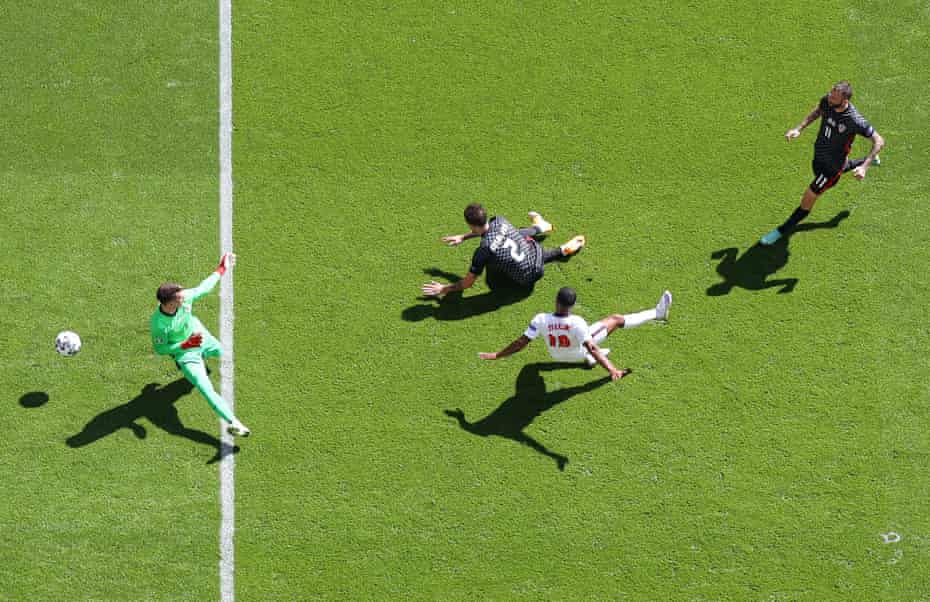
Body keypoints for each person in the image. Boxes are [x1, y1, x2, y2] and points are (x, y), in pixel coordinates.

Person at [760, 80, 884, 245]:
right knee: (823, 172)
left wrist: (864, 168)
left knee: (809, 197)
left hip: (832, 168)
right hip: (819, 156)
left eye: (834, 97)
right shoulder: (828, 101)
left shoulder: (854, 120)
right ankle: (866, 161)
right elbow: (818, 111)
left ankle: (780, 231)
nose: (829, 98)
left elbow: (879, 141)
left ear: (845, 100)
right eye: (830, 94)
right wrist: (799, 128)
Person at [150, 252, 250, 437]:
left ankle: (204, 354)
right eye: (180, 297)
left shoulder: (183, 298)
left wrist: (221, 269)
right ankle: (233, 422)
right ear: (170, 303)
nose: (184, 297)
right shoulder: (159, 324)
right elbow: (160, 349)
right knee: (205, 388)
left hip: (199, 335)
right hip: (185, 353)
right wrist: (184, 345)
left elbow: (203, 288)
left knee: (226, 353)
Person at [478, 287, 673, 381]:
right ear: (572, 306)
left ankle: (589, 360)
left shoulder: (540, 319)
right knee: (615, 319)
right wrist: (612, 369)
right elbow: (592, 347)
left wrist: (497, 355)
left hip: (556, 355)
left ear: (556, 301)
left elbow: (521, 342)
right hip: (578, 352)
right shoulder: (577, 323)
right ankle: (658, 313)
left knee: (532, 368)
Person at [421, 203, 585, 297]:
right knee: (514, 233)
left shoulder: (483, 251)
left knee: (491, 270)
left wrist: (443, 289)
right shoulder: (499, 221)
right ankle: (550, 238)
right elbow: (485, 230)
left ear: (470, 224)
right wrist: (463, 237)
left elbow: (468, 283)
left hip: (527, 279)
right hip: (535, 252)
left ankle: (556, 244)